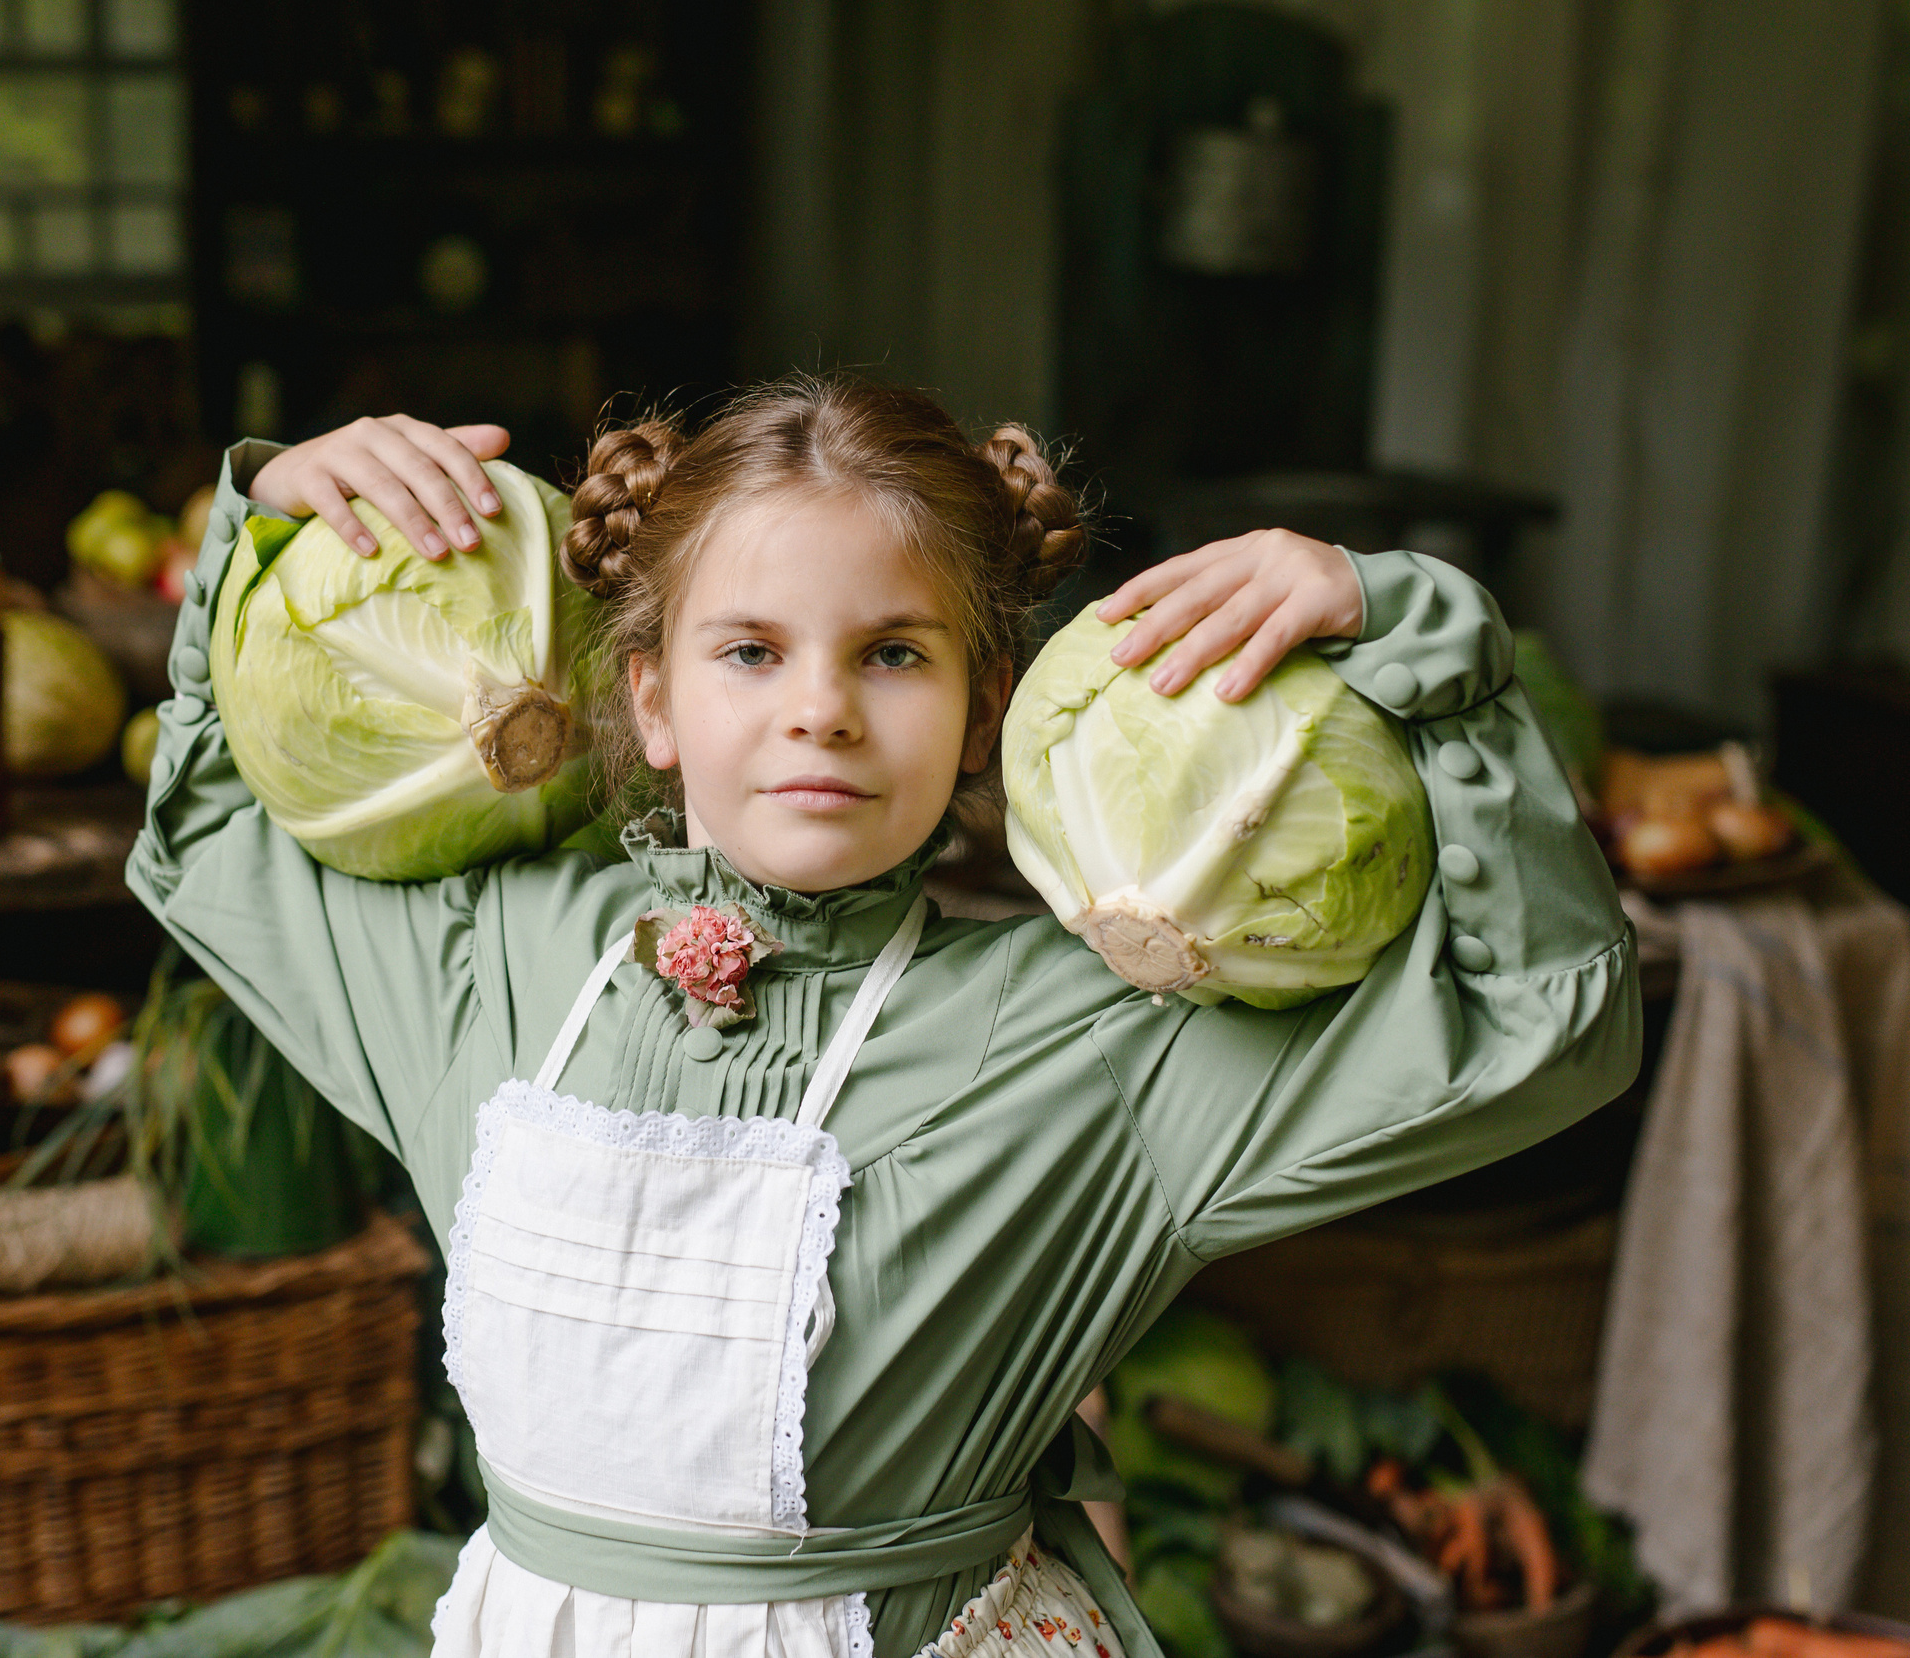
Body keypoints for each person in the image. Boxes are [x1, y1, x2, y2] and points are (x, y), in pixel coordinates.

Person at [128, 377, 1639, 1658]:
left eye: (894, 654)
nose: (822, 710)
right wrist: (274, 513)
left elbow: (1541, 1026)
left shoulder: (1094, 1048)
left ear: (987, 710)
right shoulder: (496, 965)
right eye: (749, 651)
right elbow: (207, 837)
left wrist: (1416, 634)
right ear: (649, 698)